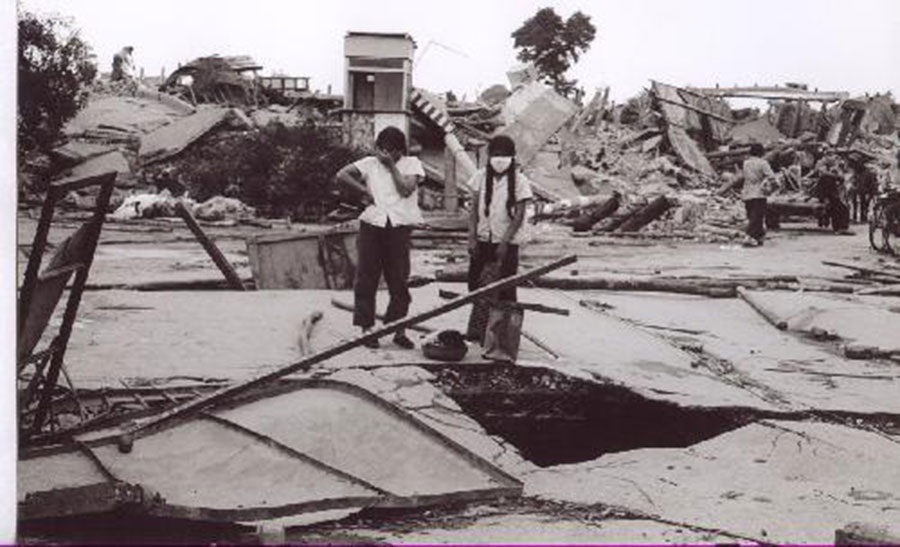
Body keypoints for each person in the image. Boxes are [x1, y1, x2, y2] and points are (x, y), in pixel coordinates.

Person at [335, 126, 424, 349]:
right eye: (381, 149)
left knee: (399, 280)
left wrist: (392, 166)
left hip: (399, 226)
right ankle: (367, 329)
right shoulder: (369, 163)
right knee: (366, 278)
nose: (384, 154)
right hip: (372, 225)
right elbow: (342, 175)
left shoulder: (411, 164)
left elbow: (406, 190)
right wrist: (363, 192)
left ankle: (397, 328)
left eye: (391, 151)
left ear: (399, 151)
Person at [466, 135, 534, 303]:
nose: (499, 160)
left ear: (512, 157)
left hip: (507, 242)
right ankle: (480, 325)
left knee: (506, 290)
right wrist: (472, 238)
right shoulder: (480, 177)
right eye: (496, 155)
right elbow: (473, 210)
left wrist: (504, 242)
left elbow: (519, 215)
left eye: (504, 155)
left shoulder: (520, 181)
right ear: (489, 156)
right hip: (483, 239)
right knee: (475, 286)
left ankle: (503, 327)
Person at [741, 143, 775, 246]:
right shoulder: (763, 163)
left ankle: (759, 236)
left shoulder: (745, 163)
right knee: (757, 216)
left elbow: (745, 176)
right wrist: (773, 187)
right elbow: (771, 177)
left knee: (751, 214)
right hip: (759, 192)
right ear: (761, 152)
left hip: (747, 192)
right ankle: (749, 236)